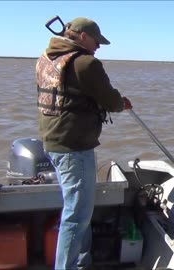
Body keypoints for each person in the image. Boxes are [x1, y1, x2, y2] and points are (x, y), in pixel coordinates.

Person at [35, 17, 132, 270]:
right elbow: (111, 101)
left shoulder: (47, 58)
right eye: (96, 41)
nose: (98, 46)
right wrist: (123, 103)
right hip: (73, 148)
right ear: (80, 36)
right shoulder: (86, 63)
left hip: (53, 142)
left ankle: (81, 261)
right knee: (76, 216)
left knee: (78, 210)